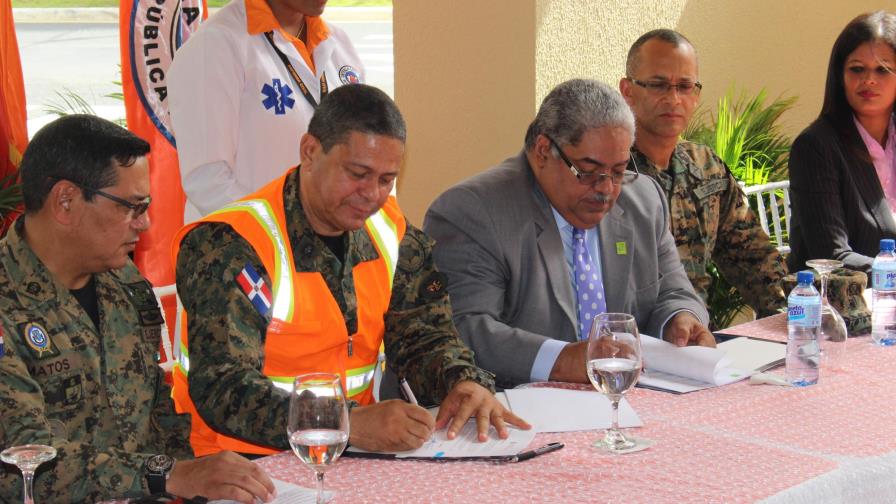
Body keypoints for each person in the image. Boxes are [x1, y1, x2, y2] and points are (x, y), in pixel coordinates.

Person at [172, 84, 528, 457]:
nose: (372, 194)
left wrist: (463, 381)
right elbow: (224, 388)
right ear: (310, 152)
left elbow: (423, 336)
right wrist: (346, 421)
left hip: (349, 453)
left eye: (386, 179)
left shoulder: (390, 232)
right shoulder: (233, 244)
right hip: (238, 464)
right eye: (358, 173)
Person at [0, 115, 275, 503]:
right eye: (132, 207)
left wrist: (194, 482)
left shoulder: (126, 285)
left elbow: (159, 416)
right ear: (66, 201)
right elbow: (26, 464)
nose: (144, 224)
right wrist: (168, 475)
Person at [423, 79, 713, 390]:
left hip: (626, 401)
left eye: (618, 171)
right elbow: (465, 329)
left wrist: (680, 319)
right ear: (544, 151)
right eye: (588, 171)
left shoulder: (643, 199)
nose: (606, 189)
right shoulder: (474, 211)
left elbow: (675, 290)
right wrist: (561, 359)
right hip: (512, 410)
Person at [618, 29, 787, 319]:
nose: (673, 99)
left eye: (684, 86)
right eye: (658, 85)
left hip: (695, 340)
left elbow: (756, 260)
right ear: (627, 91)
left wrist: (795, 314)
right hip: (627, 342)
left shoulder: (707, 168)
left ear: (696, 94)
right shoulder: (606, 171)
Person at [168, 0, 365, 221]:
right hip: (247, 246)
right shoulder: (214, 45)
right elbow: (208, 181)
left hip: (322, 242)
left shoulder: (338, 43)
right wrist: (287, 233)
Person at [788, 11, 896, 275]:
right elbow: (832, 256)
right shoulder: (814, 147)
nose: (869, 80)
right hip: (837, 308)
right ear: (840, 76)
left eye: (883, 70)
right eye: (857, 69)